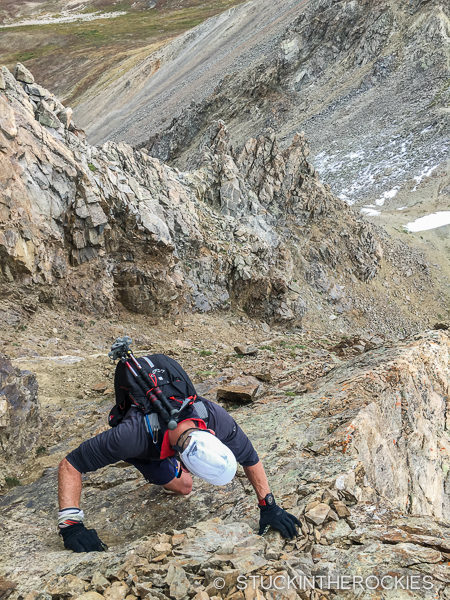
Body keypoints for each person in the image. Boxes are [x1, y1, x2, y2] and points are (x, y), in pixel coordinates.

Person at [58, 353, 300, 552]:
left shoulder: (214, 417)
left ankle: (173, 471)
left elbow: (249, 457)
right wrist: (71, 525)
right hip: (148, 446)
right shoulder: (131, 438)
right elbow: (71, 464)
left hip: (167, 438)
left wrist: (269, 505)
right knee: (184, 486)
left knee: (185, 485)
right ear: (184, 460)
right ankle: (166, 469)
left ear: (212, 434)